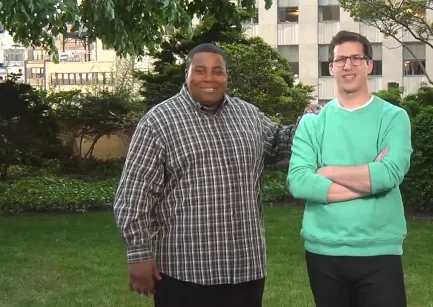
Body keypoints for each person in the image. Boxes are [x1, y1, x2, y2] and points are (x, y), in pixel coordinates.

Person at [113, 43, 319, 307]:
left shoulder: (248, 115)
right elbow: (134, 194)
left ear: (226, 77)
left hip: (245, 269)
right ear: (186, 74)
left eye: (217, 71)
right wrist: (139, 253)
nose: (209, 78)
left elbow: (279, 143)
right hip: (184, 271)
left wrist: (310, 124)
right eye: (200, 71)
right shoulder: (158, 122)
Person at [286, 30, 413, 307]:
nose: (348, 65)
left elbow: (390, 173)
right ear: (331, 67)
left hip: (379, 249)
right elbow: (299, 182)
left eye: (357, 58)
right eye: (341, 59)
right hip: (323, 251)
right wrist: (368, 181)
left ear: (369, 64)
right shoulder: (312, 124)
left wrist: (327, 171)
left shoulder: (393, 118)